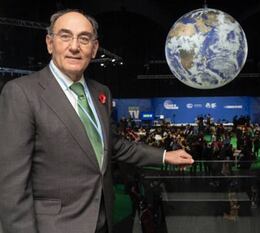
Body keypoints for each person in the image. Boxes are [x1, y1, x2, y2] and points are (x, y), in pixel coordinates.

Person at [0, 9, 193, 233]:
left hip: (103, 223)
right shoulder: (21, 93)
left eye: (84, 38)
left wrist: (164, 156)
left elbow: (114, 145)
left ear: (94, 49)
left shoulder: (101, 93)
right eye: (65, 36)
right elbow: (11, 186)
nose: (74, 46)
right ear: (49, 43)